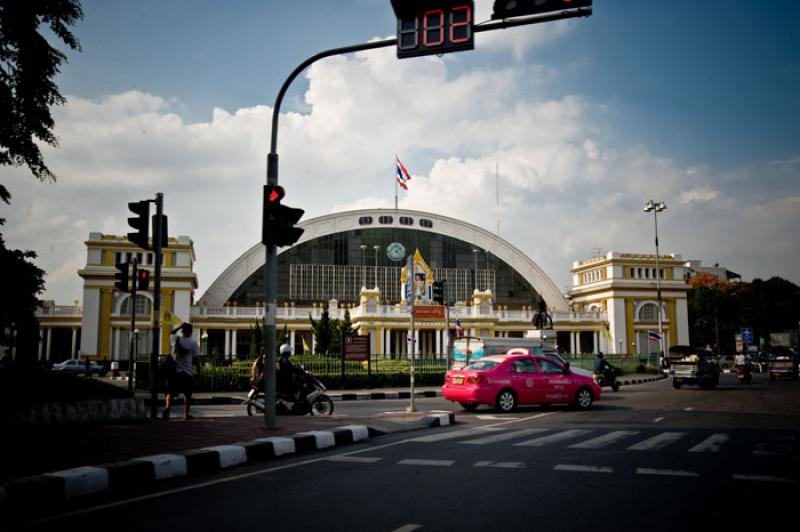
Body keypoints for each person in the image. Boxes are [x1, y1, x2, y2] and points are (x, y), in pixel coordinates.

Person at [163, 323, 201, 420]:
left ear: (182, 331)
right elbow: (196, 358)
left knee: (170, 392)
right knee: (187, 394)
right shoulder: (193, 343)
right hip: (187, 371)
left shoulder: (177, 339)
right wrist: (198, 369)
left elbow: (170, 333)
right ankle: (186, 414)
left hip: (175, 371)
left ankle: (167, 407)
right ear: (191, 332)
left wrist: (179, 327)